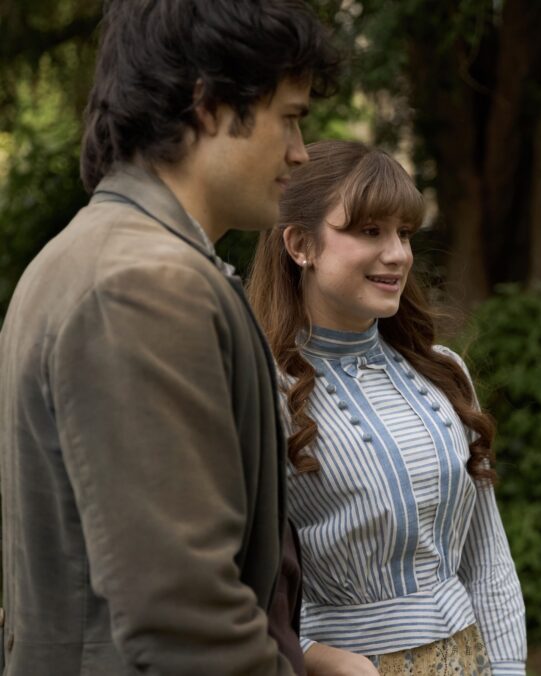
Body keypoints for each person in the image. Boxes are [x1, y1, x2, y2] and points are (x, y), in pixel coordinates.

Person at [0, 1, 338, 674]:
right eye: (290, 118)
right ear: (207, 105)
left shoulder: (103, 255)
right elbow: (184, 619)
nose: (301, 152)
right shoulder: (142, 285)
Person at [247, 139, 527, 676]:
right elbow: (237, 579)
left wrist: (509, 668)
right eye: (370, 231)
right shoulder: (265, 389)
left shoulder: (443, 373)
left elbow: (488, 555)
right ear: (300, 244)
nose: (398, 254)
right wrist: (318, 657)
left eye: (404, 233)